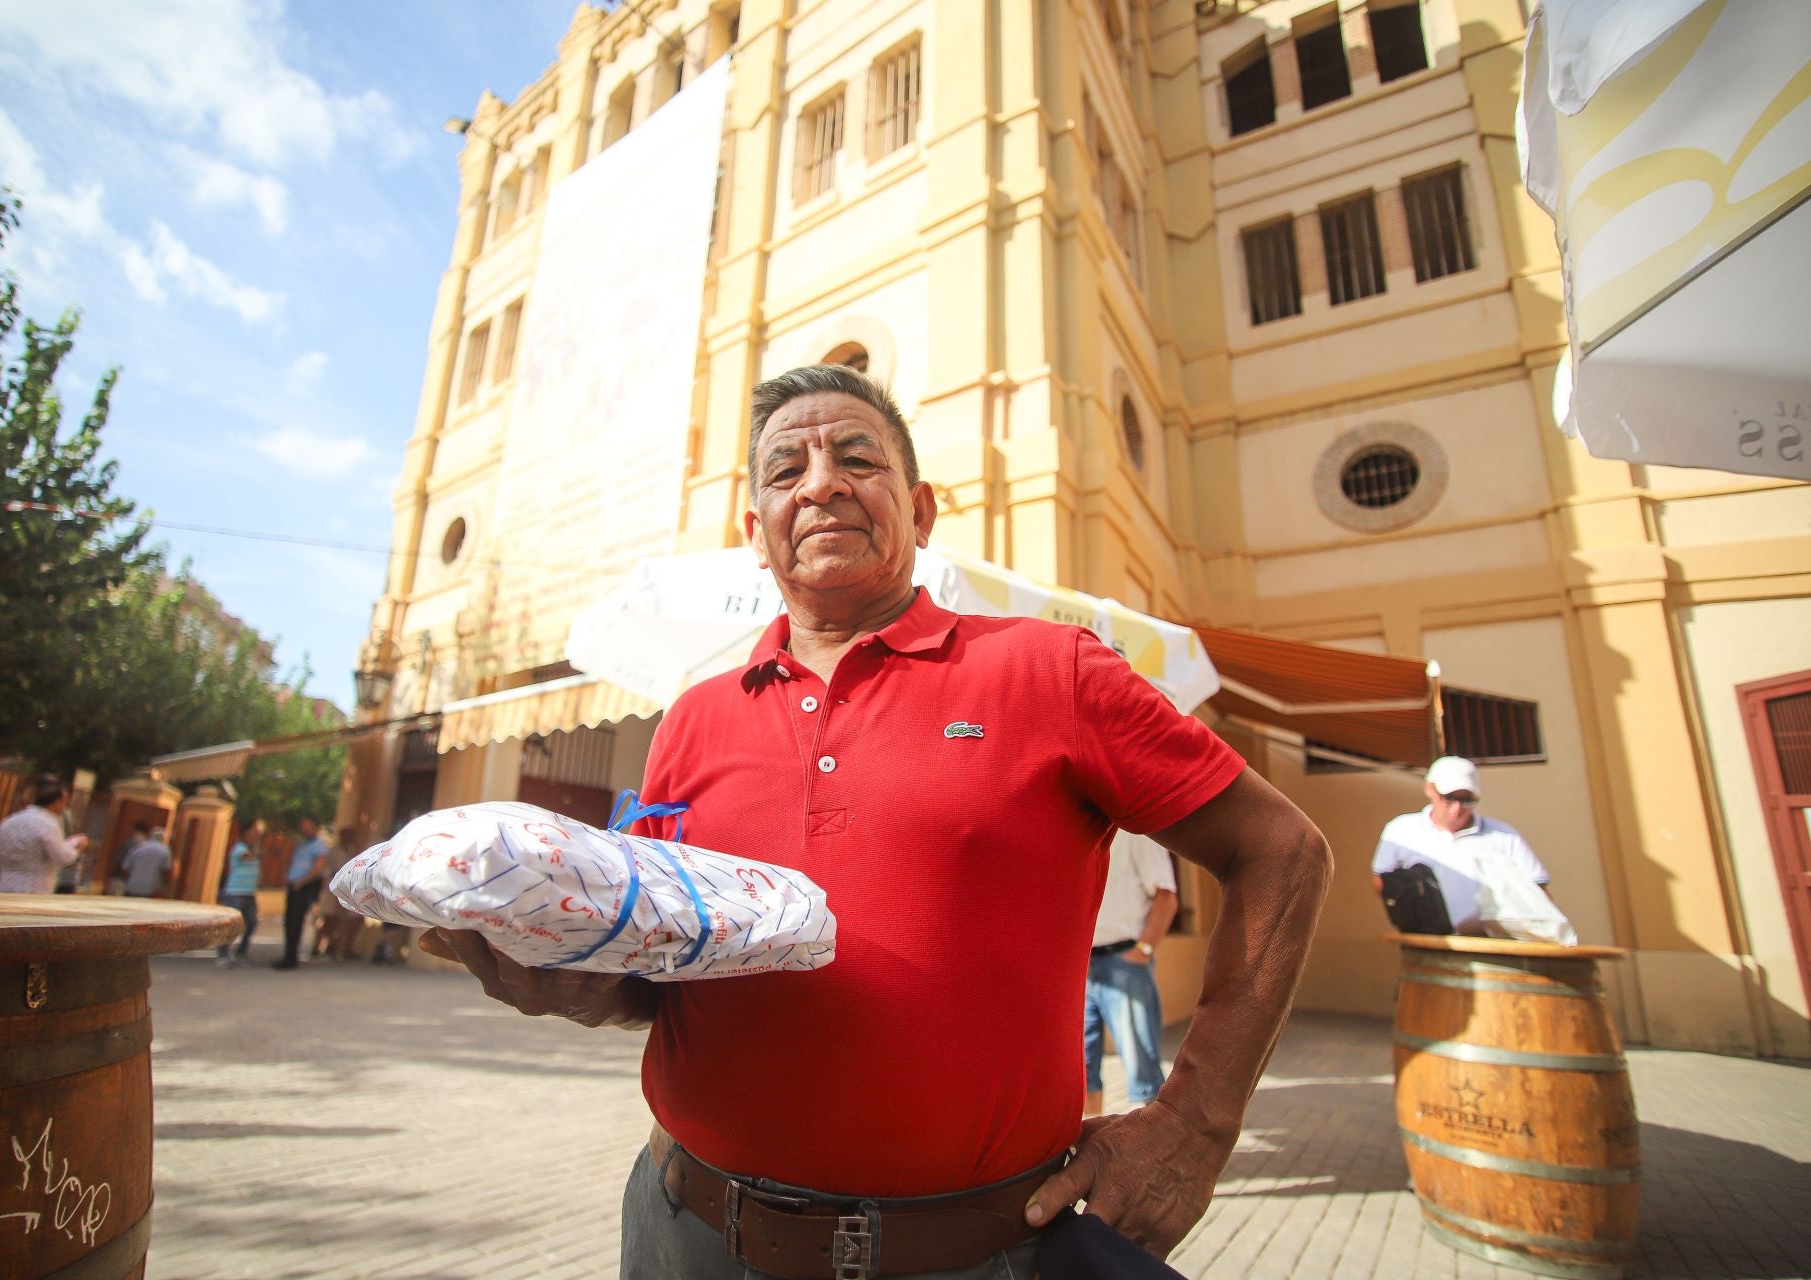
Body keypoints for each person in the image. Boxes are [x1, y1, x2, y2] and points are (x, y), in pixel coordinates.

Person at [423, 364, 1334, 1279]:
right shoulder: (693, 719)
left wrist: (1196, 1123)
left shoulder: (1050, 669)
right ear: (756, 533)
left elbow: (1282, 851)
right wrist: (574, 986)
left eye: (857, 459)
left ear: (921, 511)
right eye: (786, 471)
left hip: (968, 1257)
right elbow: (663, 976)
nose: (821, 484)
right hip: (683, 1230)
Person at [1370, 755, 1551, 935]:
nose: (1457, 809)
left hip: (1489, 943)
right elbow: (1380, 882)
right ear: (1429, 789)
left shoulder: (1504, 836)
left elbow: (1539, 892)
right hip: (1425, 940)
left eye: (1466, 800)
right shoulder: (1401, 830)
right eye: (1449, 798)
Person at [1084, 830, 1182, 1117]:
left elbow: (1167, 896)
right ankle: (1087, 1137)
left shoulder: (1136, 835)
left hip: (1123, 962)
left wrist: (1143, 950)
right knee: (1082, 1066)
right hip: (1081, 967)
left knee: (1142, 1063)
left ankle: (1156, 1137)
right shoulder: (1078, 833)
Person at [0, 775, 88, 894]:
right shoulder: (48, 825)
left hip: (4, 884)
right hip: (34, 888)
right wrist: (79, 848)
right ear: (58, 801)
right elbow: (62, 857)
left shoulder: (9, 821)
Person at [272, 816, 329, 970]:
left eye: (306, 825)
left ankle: (291, 958)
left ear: (314, 827)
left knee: (296, 921)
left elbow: (318, 867)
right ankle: (288, 954)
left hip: (305, 887)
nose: (303, 828)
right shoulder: (302, 844)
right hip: (294, 885)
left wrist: (302, 882)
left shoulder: (319, 846)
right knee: (289, 921)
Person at [216, 819, 265, 967]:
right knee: (231, 925)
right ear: (246, 832)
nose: (256, 834)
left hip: (249, 893)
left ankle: (241, 953)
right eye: (254, 830)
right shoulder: (239, 848)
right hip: (235, 892)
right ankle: (222, 955)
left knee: (252, 923)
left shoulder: (252, 848)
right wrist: (260, 850)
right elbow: (247, 856)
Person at [314, 826, 365, 961]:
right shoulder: (334, 851)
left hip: (350, 890)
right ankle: (319, 946)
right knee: (330, 919)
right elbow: (328, 870)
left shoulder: (355, 851)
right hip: (333, 889)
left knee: (351, 921)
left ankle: (344, 948)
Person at [121, 826, 173, 898]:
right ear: (163, 838)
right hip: (150, 888)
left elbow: (126, 866)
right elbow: (166, 870)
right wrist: (164, 887)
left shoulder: (139, 847)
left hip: (132, 886)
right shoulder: (165, 851)